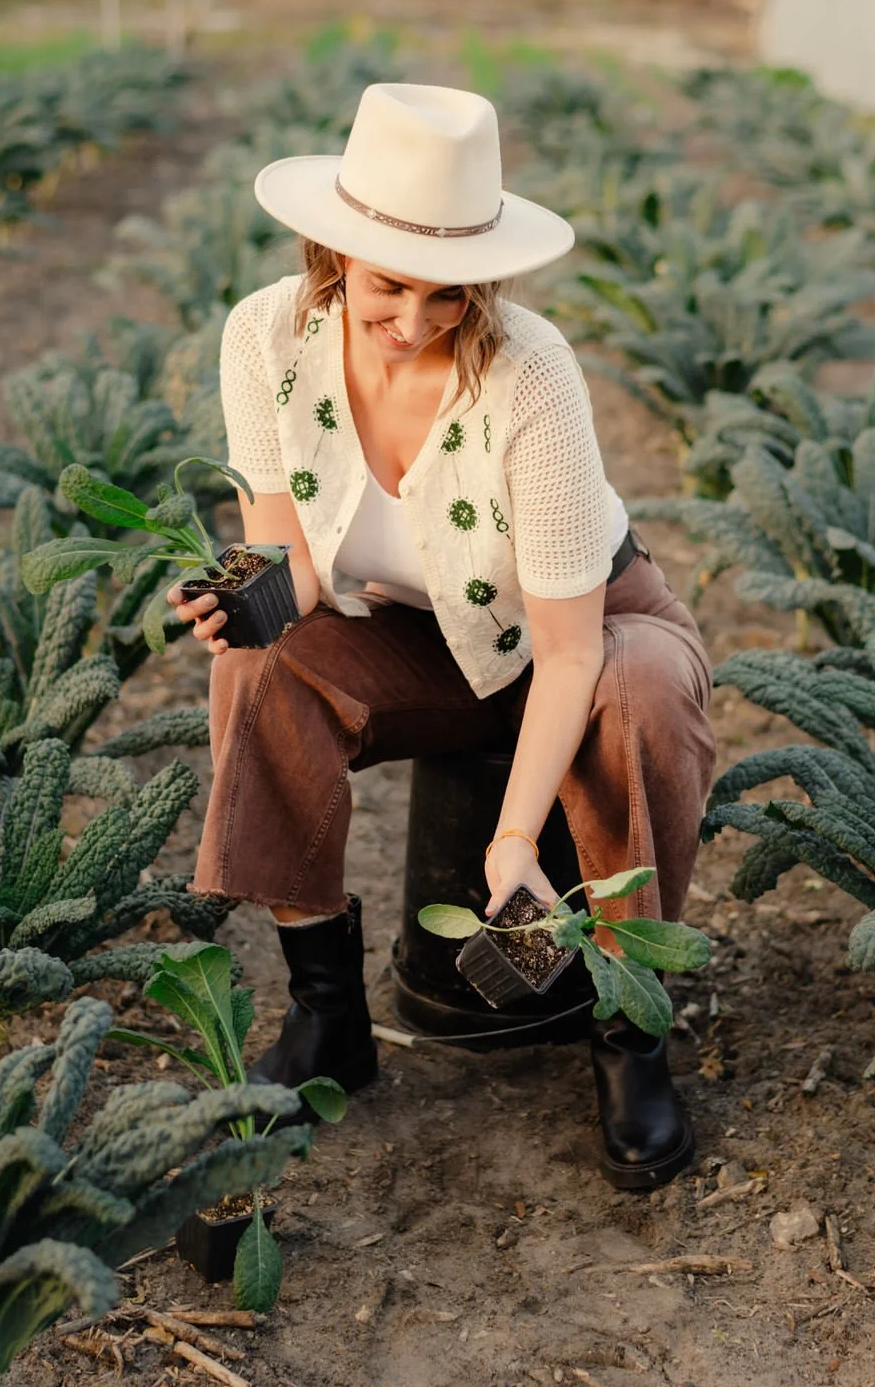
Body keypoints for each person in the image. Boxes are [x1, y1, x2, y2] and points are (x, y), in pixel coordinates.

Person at [170, 83, 716, 1190]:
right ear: (334, 254)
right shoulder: (267, 337)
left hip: (590, 634)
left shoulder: (527, 374)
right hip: (421, 636)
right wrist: (239, 601)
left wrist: (512, 844)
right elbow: (290, 560)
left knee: (642, 690)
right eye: (388, 284)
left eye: (447, 293)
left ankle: (629, 1030)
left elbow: (569, 652)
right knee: (261, 664)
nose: (415, 319)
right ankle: (327, 1013)